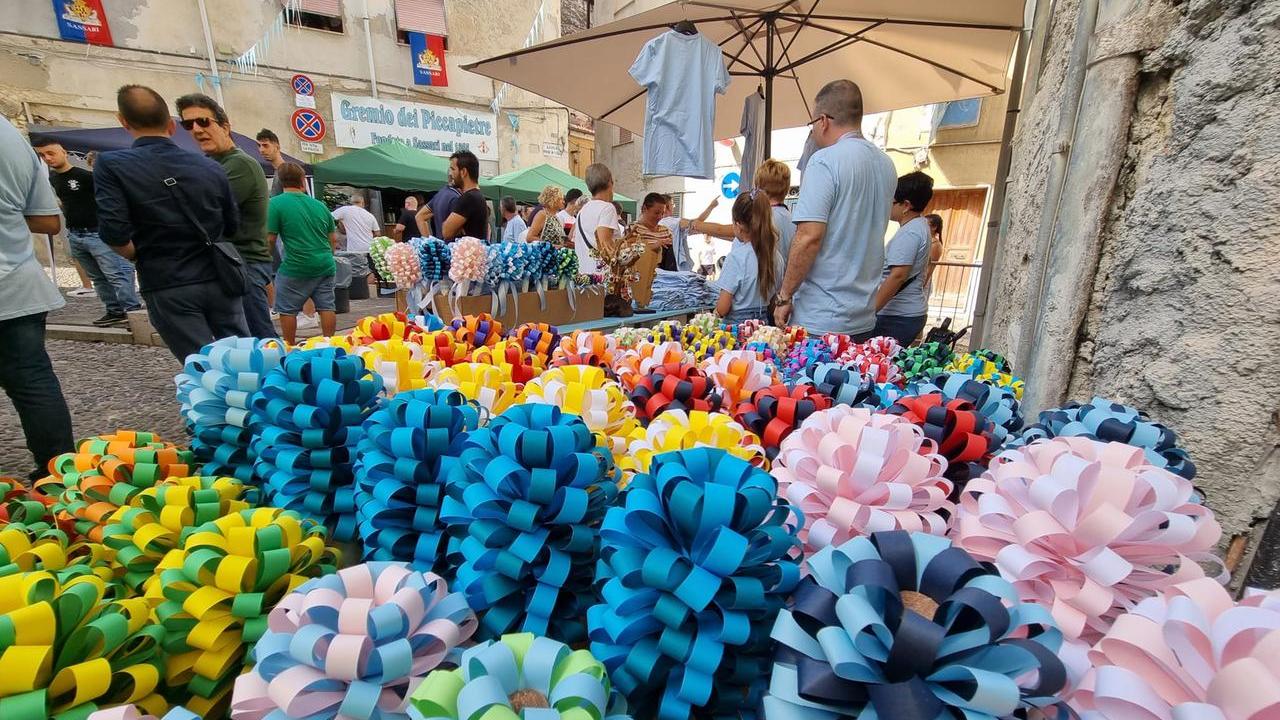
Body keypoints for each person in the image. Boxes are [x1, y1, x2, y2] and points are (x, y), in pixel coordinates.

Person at [97, 85, 249, 363]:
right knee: (245, 361)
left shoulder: (111, 165)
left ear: (122, 121)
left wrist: (135, 252)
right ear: (171, 124)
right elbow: (231, 225)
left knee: (202, 366)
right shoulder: (210, 166)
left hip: (167, 279)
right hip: (219, 274)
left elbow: (113, 231)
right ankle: (254, 403)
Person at [773, 79, 896, 337]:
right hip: (863, 315)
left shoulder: (824, 161)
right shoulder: (886, 164)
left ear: (823, 121)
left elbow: (808, 237)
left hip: (822, 317)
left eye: (812, 125)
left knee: (812, 377)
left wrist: (784, 296)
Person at [0, 116, 75, 479]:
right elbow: (48, 220)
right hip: (16, 284)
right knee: (33, 384)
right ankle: (60, 474)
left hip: (18, 288)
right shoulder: (10, 136)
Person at [177, 93, 275, 340]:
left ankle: (275, 377)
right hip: (228, 264)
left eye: (204, 121)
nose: (197, 129)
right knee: (239, 342)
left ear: (225, 126)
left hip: (242, 264)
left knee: (256, 340)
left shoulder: (239, 164)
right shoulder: (212, 164)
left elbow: (204, 213)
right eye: (188, 124)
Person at [33, 137, 142, 326]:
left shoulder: (84, 176)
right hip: (75, 233)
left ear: (63, 153)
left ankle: (132, 311)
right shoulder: (53, 178)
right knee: (97, 277)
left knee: (116, 273)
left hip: (96, 232)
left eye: (51, 153)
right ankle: (114, 310)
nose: (47, 158)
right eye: (42, 155)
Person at [267, 163, 338, 344]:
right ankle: (330, 344)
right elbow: (333, 240)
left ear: (281, 182)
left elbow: (270, 239)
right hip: (325, 263)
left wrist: (265, 260)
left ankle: (290, 346)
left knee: (287, 309)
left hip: (296, 265)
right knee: (326, 306)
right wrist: (327, 255)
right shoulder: (320, 206)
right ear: (303, 182)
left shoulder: (275, 204)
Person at [687, 159, 793, 262]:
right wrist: (708, 231)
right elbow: (737, 235)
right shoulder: (790, 218)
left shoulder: (764, 216)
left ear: (759, 187)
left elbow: (722, 230)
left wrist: (693, 224)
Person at [873, 171, 935, 345]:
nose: (888, 207)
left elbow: (898, 275)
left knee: (878, 365)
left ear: (906, 205)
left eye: (891, 202)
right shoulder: (919, 226)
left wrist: (870, 311)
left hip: (897, 316)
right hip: (904, 313)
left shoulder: (910, 233)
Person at [709, 190, 783, 323]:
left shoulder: (736, 257)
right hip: (763, 325)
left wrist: (714, 314)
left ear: (738, 225)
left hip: (736, 329)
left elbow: (723, 307)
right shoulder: (776, 257)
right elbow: (773, 300)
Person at [623, 193, 674, 309]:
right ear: (644, 209)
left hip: (665, 288)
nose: (660, 217)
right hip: (639, 287)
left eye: (662, 213)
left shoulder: (666, 231)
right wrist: (654, 246)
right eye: (656, 213)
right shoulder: (632, 230)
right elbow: (628, 258)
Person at [574, 164, 619, 274]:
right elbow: (606, 248)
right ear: (610, 182)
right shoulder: (607, 208)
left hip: (583, 275)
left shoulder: (582, 211)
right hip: (601, 277)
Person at [442, 150, 489, 241]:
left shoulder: (468, 198)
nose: (450, 174)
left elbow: (446, 232)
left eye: (453, 169)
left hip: (467, 254)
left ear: (463, 172)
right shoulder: (478, 196)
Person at [255, 129, 286, 197]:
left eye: (265, 145)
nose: (261, 150)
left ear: (277, 147)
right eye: (259, 146)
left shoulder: (287, 171)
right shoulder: (277, 171)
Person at [924, 213, 945, 290]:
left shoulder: (935, 245)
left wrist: (923, 284)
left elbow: (930, 267)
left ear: (934, 227)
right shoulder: (925, 241)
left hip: (922, 282)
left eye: (926, 224)